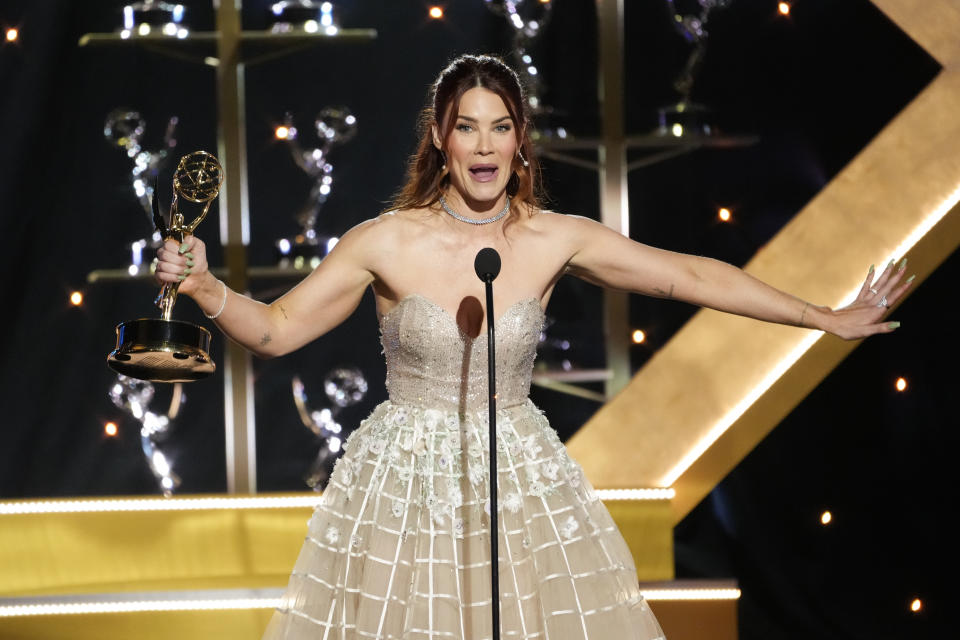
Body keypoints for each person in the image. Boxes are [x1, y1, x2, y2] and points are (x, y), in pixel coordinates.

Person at [156, 54, 911, 640]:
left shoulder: (554, 238)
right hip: (403, 485)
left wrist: (822, 315)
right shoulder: (383, 241)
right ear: (439, 137)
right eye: (466, 126)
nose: (484, 146)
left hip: (517, 478)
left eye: (500, 126)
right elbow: (278, 331)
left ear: (520, 139)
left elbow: (686, 275)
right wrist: (207, 288)